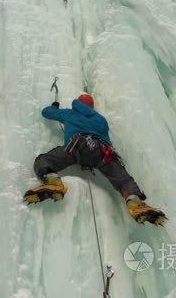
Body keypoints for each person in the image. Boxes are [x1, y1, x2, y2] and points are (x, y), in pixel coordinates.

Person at [23, 93, 167, 226]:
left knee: (43, 161)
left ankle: (53, 181)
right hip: (104, 153)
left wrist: (54, 106)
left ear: (78, 103)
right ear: (91, 106)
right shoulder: (101, 119)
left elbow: (46, 112)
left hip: (78, 147)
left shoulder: (70, 113)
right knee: (123, 180)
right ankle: (135, 201)